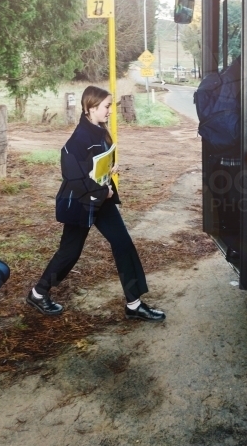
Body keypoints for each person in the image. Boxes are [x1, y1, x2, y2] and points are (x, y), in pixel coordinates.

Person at [27, 86, 165, 321]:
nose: (111, 111)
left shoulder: (99, 131)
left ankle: (134, 304)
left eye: (111, 106)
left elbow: (95, 166)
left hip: (102, 200)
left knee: (123, 244)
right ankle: (38, 294)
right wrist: (104, 190)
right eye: (107, 106)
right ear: (90, 108)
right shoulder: (77, 140)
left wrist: (109, 170)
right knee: (69, 253)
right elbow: (74, 179)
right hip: (81, 203)